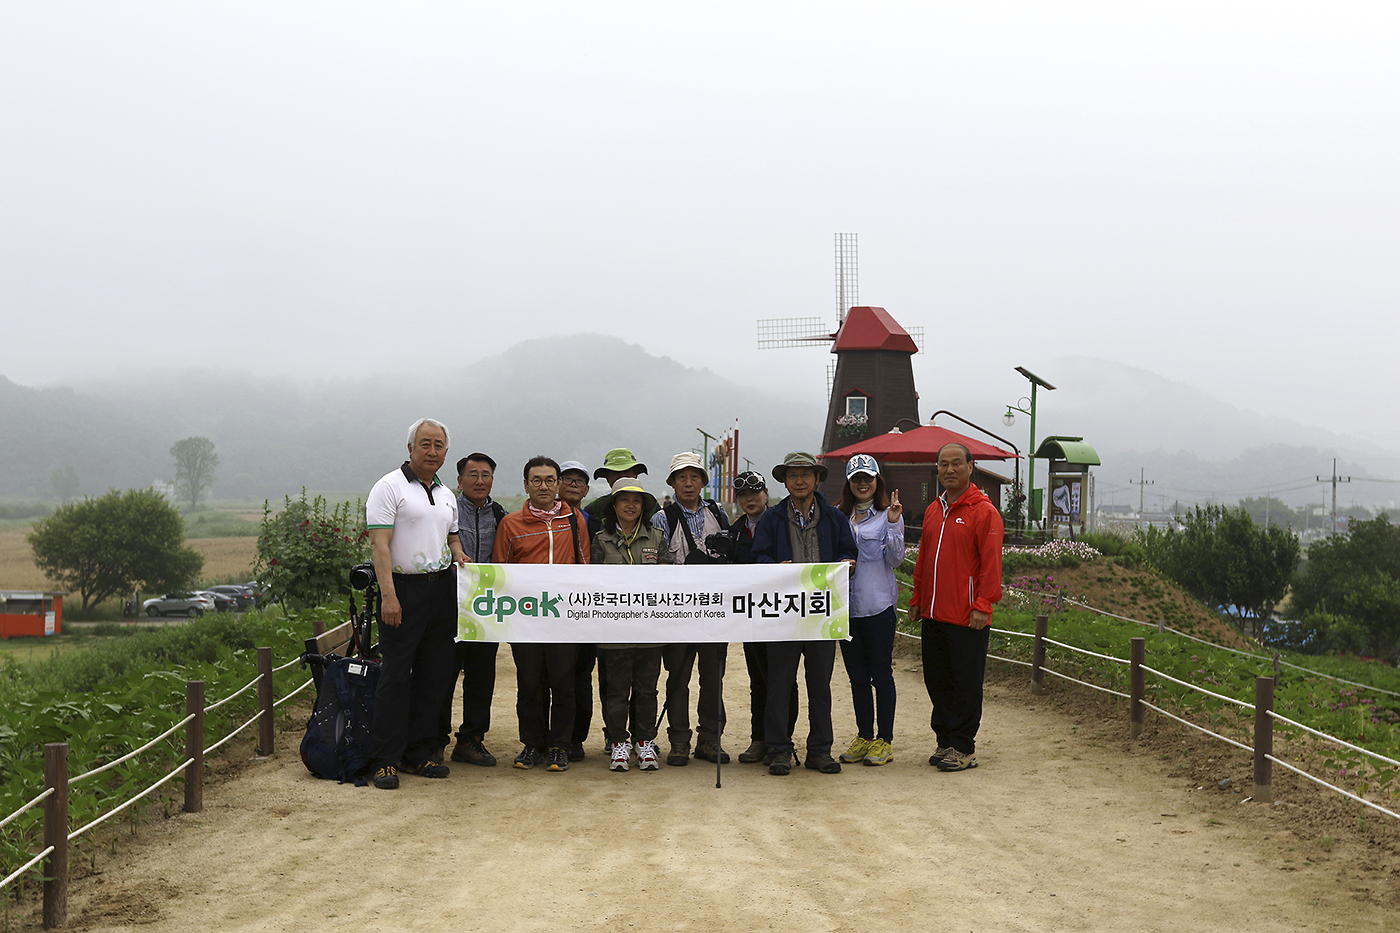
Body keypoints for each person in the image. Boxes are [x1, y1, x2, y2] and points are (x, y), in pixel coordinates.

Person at [364, 418, 469, 790]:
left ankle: (419, 753)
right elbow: (379, 545)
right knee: (395, 677)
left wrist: (459, 554)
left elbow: (451, 537)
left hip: (441, 592)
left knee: (434, 675)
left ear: (446, 451)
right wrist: (389, 596)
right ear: (410, 448)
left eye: (439, 445)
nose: (432, 451)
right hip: (402, 591)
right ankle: (384, 760)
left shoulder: (446, 494)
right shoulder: (389, 487)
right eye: (425, 444)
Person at [752, 451, 858, 776]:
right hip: (784, 614)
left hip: (823, 613)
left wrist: (847, 563)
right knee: (779, 684)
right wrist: (775, 567)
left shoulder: (834, 517)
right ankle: (779, 749)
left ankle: (819, 750)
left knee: (820, 685)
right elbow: (759, 557)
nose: (799, 481)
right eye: (792, 475)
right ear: (784, 481)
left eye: (805, 474)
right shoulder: (772, 518)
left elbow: (849, 550)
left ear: (816, 478)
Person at [908, 443, 1004, 773]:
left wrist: (983, 604)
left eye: (956, 464)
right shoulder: (934, 510)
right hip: (934, 613)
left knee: (966, 683)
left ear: (970, 467)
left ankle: (963, 747)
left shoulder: (984, 512)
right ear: (937, 469)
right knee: (937, 680)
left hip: (967, 616)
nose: (949, 470)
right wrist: (917, 598)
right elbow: (923, 559)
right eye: (943, 464)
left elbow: (991, 565)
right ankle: (945, 739)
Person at [492, 456, 590, 773]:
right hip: (526, 620)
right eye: (537, 480)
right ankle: (532, 744)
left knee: (563, 683)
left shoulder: (574, 519)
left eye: (550, 480)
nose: (544, 486)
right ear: (526, 485)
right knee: (530, 684)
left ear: (558, 484)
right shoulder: (511, 524)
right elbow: (500, 572)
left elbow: (584, 566)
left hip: (563, 619)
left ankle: (559, 746)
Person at [650, 451, 731, 765]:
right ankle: (679, 741)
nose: (688, 483)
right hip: (677, 613)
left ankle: (710, 740)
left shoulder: (718, 513)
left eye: (694, 477)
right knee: (678, 677)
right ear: (672, 482)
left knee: (713, 678)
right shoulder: (662, 518)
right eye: (681, 477)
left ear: (702, 481)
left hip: (713, 611)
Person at [591, 477, 672, 772]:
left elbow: (667, 576)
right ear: (613, 505)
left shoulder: (657, 537)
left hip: (650, 630)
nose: (630, 505)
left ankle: (645, 742)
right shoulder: (601, 539)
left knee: (647, 690)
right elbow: (593, 582)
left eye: (636, 501)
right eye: (624, 500)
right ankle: (618, 743)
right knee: (616, 691)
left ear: (643, 506)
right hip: (614, 631)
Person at [723, 470, 799, 765]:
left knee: (784, 680)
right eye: (743, 495)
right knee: (758, 679)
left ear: (766, 493)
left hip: (783, 614)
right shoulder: (735, 530)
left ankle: (782, 740)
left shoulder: (783, 522)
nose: (749, 500)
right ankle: (760, 738)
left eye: (755, 493)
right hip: (751, 617)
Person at [833, 454, 905, 767]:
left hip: (878, 607)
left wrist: (893, 524)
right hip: (846, 609)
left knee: (881, 674)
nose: (862, 484)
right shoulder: (838, 516)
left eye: (868, 478)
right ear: (849, 483)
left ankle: (884, 740)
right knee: (857, 677)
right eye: (856, 479)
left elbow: (896, 559)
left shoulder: (889, 514)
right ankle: (864, 736)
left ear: (878, 481)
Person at [439, 453, 506, 767]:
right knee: (441, 674)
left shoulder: (501, 515)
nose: (480, 481)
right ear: (459, 480)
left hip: (485, 609)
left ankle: (471, 740)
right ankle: (435, 739)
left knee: (481, 676)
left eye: (486, 475)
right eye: (473, 475)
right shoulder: (446, 511)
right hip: (447, 608)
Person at [555, 459, 599, 761]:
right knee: (547, 678)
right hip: (549, 611)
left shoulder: (595, 524)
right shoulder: (544, 519)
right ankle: (546, 738)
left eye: (578, 480)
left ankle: (575, 738)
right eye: (566, 478)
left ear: (586, 489)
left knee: (581, 677)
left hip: (585, 613)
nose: (572, 484)